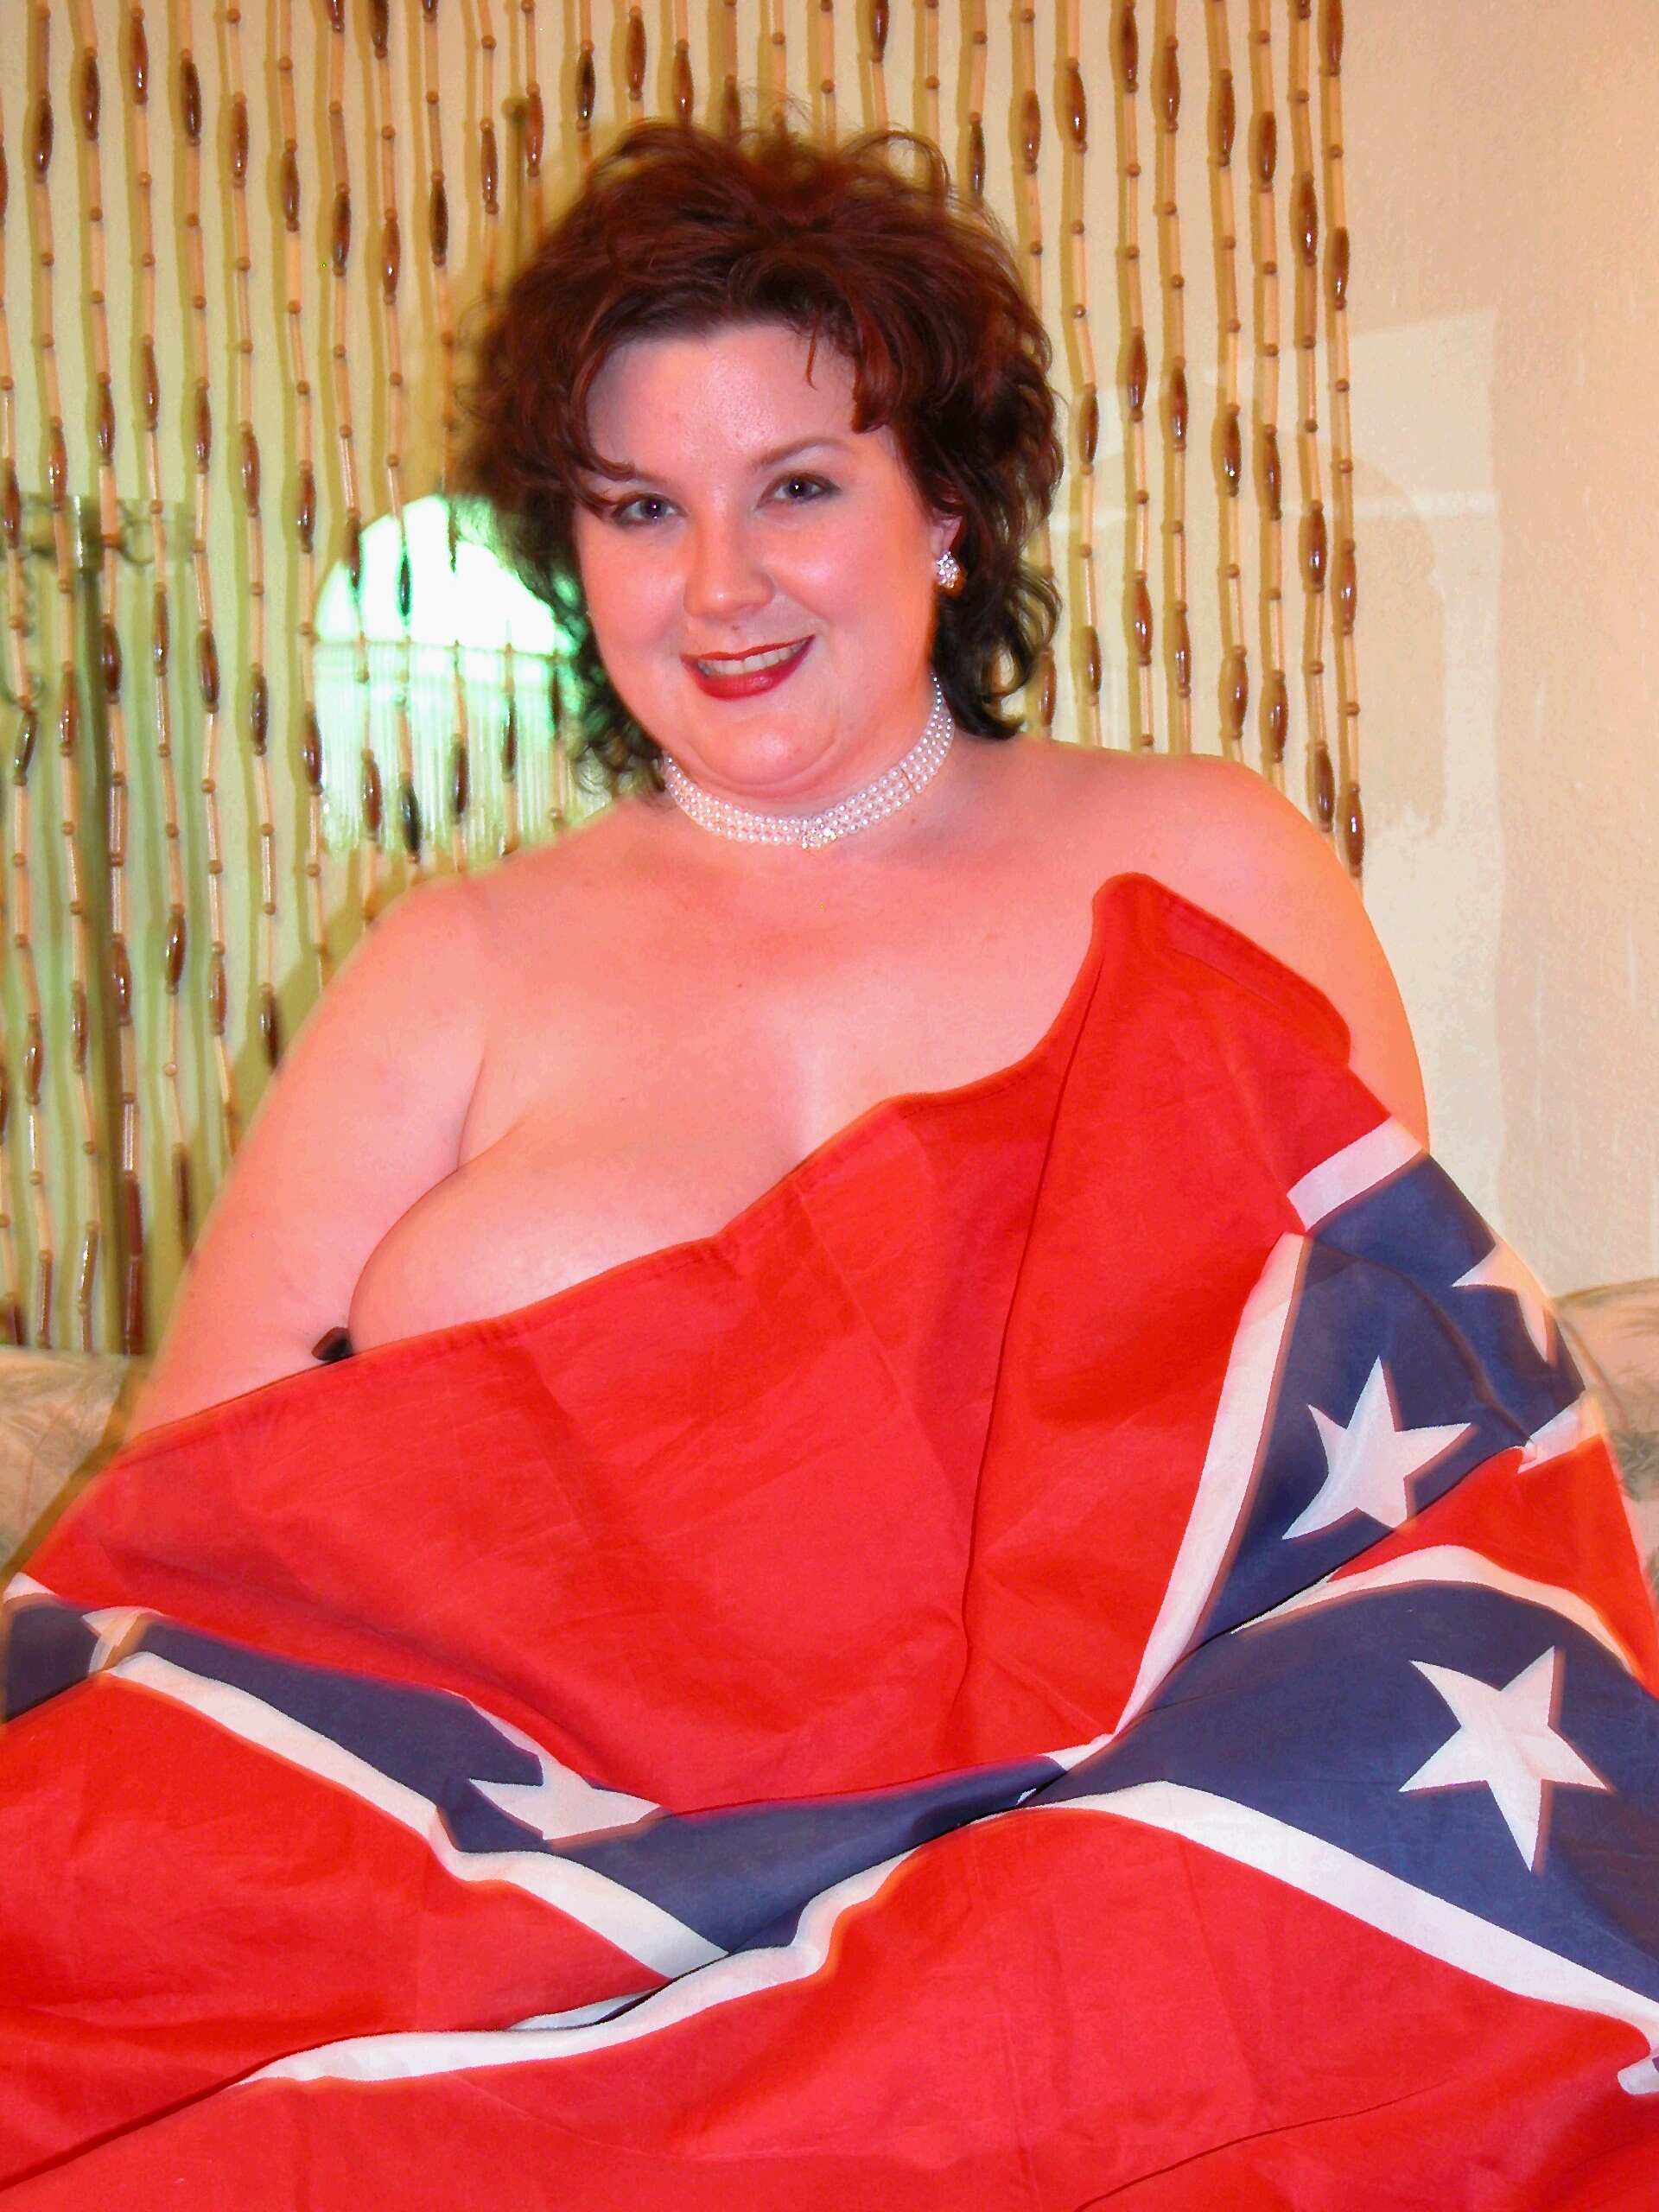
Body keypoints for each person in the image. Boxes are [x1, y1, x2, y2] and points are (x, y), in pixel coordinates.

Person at [128, 118, 1424, 1436]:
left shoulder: (1216, 867)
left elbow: (1419, 1400)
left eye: (796, 489)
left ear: (944, 509)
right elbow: (191, 1502)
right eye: (644, 509)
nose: (720, 587)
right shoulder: (443, 966)